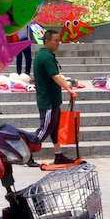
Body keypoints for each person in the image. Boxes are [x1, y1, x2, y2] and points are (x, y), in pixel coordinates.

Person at [30, 29, 78, 166]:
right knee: (45, 128)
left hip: (52, 99)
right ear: (47, 41)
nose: (58, 43)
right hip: (48, 100)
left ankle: (58, 155)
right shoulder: (46, 56)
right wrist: (68, 88)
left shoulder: (45, 55)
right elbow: (55, 75)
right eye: (55, 40)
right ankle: (28, 154)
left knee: (54, 129)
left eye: (59, 40)